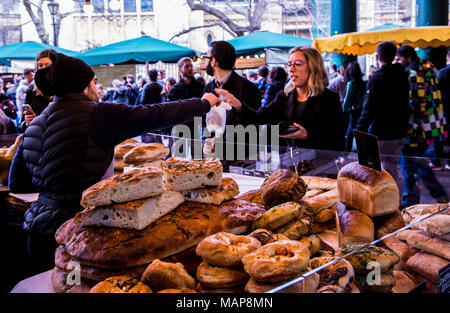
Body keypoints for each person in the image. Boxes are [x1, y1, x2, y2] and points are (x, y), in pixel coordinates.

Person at [8, 52, 221, 273]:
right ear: (83, 86)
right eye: (94, 82)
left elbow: (18, 183)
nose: (97, 88)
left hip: (37, 232)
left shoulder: (34, 124)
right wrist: (203, 103)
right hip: (80, 231)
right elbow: (157, 114)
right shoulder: (98, 114)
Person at [217, 46, 345, 151]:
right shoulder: (283, 96)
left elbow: (338, 140)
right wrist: (238, 105)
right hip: (290, 164)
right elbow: (258, 118)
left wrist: (308, 135)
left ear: (313, 67)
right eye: (289, 64)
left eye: (298, 64)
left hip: (320, 167)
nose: (291, 69)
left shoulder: (329, 99)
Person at [395, 45, 448, 207]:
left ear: (408, 58)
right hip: (433, 126)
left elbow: (417, 105)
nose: (398, 62)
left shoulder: (414, 74)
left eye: (399, 59)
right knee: (417, 161)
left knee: (409, 163)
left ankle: (410, 201)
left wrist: (410, 129)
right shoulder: (428, 67)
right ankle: (438, 194)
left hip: (418, 129)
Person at [355, 41, 410, 190]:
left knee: (371, 171)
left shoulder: (376, 78)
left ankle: (376, 204)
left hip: (381, 133)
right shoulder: (403, 75)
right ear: (394, 56)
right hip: (399, 131)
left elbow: (369, 108)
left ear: (377, 57)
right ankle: (395, 202)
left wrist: (359, 129)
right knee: (392, 169)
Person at [203, 41, 262, 127]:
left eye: (205, 57)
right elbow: (204, 120)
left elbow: (254, 124)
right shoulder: (208, 88)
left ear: (213, 61)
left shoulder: (248, 88)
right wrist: (206, 138)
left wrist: (239, 107)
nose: (204, 62)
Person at [168, 57, 206, 138]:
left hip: (198, 130)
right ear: (179, 70)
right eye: (186, 66)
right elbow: (170, 114)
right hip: (180, 132)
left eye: (191, 66)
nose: (190, 68)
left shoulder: (201, 87)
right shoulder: (174, 90)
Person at [20, 49, 55, 132]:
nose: (43, 68)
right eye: (40, 65)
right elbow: (22, 125)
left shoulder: (67, 89)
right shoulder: (31, 91)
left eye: (47, 65)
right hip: (40, 136)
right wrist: (27, 122)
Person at [342, 62, 366, 152]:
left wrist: (344, 111)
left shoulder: (351, 84)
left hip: (355, 112)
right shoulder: (364, 83)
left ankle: (345, 153)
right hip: (363, 112)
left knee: (350, 133)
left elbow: (346, 102)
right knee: (359, 133)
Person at [437, 48, 450, 170]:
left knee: (441, 133)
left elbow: (438, 91)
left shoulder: (442, 73)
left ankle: (438, 160)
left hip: (444, 107)